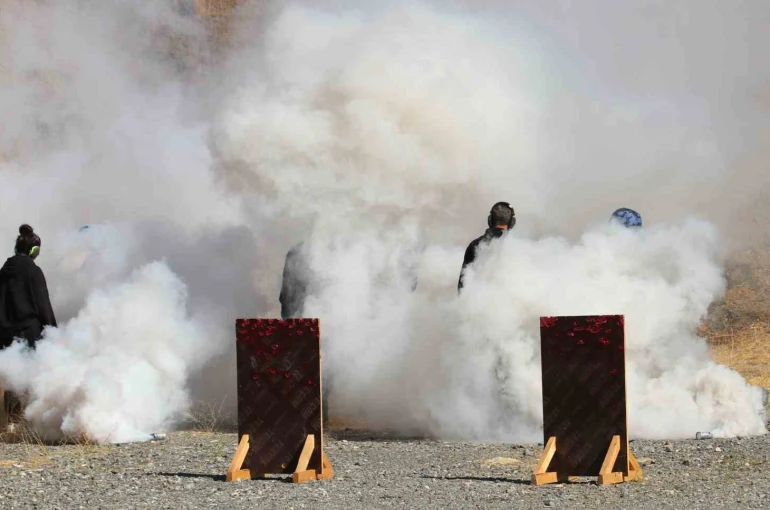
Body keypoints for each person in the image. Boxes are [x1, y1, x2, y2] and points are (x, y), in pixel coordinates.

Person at [0, 224, 57, 350]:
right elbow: (43, 306)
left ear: (16, 248)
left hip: (4, 339)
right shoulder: (33, 271)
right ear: (34, 250)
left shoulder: (3, 271)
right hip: (29, 337)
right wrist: (54, 333)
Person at [458, 202, 516, 292]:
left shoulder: (475, 245)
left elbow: (463, 284)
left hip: (478, 299)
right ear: (512, 222)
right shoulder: (516, 246)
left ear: (490, 220)